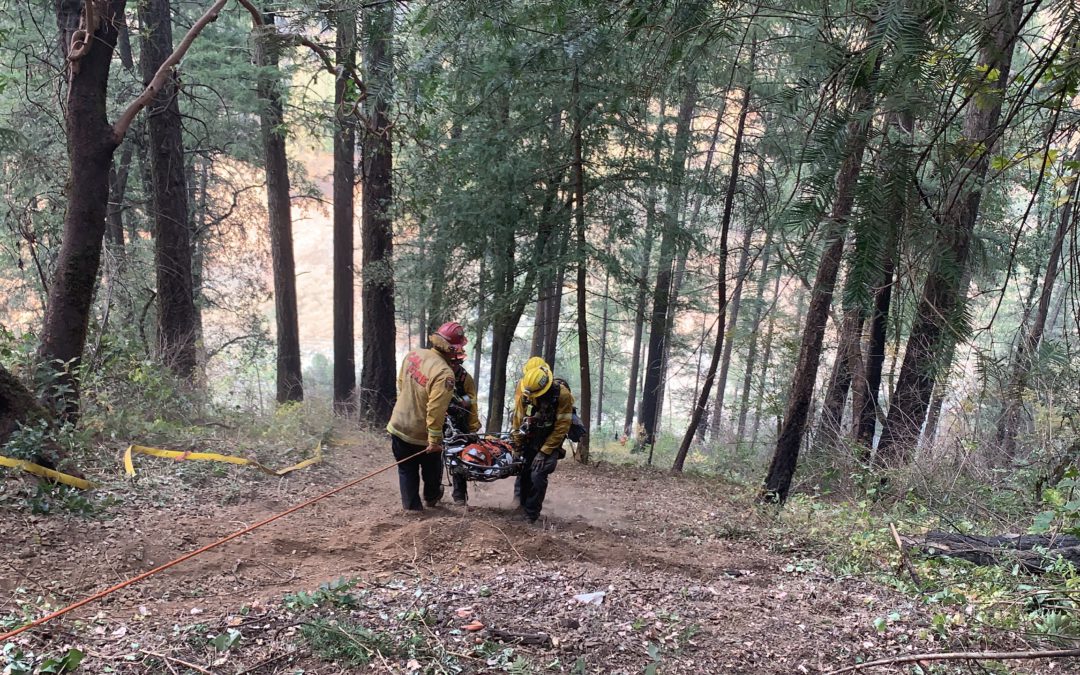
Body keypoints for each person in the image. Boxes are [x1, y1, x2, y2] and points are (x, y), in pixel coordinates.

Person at [386, 321, 467, 512]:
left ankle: (412, 508)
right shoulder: (445, 373)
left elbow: (401, 384)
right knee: (432, 470)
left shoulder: (414, 354)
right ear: (453, 349)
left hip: (397, 425)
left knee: (406, 469)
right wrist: (434, 440)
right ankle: (431, 498)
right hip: (421, 434)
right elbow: (436, 410)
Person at [510, 357, 574, 524]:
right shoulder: (525, 390)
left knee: (538, 474)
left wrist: (545, 451)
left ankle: (531, 514)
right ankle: (520, 505)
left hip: (551, 439)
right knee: (523, 470)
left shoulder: (562, 395)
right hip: (529, 438)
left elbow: (562, 426)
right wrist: (517, 445)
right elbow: (517, 418)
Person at [447, 349, 482, 505]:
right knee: (434, 458)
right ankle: (433, 492)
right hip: (438, 422)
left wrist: (473, 428)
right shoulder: (439, 374)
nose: (452, 365)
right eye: (450, 362)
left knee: (458, 458)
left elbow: (472, 404)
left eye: (455, 363)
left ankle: (460, 496)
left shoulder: (465, 379)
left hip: (459, 425)